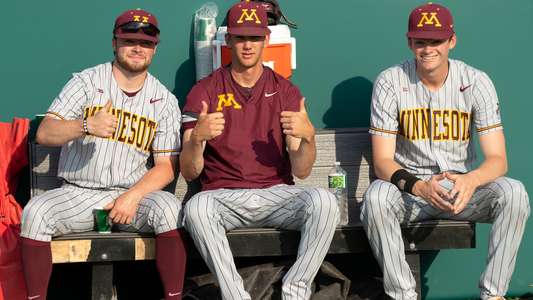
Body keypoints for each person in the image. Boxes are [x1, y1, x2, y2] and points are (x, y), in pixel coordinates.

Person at [360, 3, 530, 300]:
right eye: (421, 41)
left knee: (514, 192)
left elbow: (498, 159)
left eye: (436, 41)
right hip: (411, 192)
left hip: (463, 191)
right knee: (375, 197)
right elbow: (382, 162)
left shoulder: (476, 82)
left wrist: (473, 180)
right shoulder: (390, 82)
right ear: (409, 41)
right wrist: (418, 187)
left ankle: (493, 295)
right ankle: (402, 295)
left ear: (451, 40)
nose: (428, 49)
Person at [20, 9, 187, 300]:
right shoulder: (86, 82)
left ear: (155, 48)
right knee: (35, 212)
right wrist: (85, 125)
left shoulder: (164, 100)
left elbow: (166, 167)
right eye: (129, 40)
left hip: (133, 197)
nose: (138, 48)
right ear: (114, 43)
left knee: (169, 208)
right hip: (79, 193)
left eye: (146, 43)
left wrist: (133, 195)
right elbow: (44, 132)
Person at [179, 1, 340, 299]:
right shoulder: (205, 90)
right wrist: (197, 139)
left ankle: (295, 289)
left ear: (267, 39)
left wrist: (308, 138)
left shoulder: (286, 90)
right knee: (195, 209)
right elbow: (190, 170)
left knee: (325, 202)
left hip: (276, 193)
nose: (247, 45)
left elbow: (302, 171)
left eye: (254, 37)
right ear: (227, 40)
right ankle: (236, 296)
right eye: (240, 37)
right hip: (223, 195)